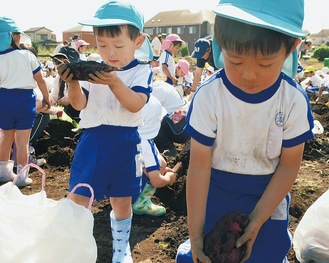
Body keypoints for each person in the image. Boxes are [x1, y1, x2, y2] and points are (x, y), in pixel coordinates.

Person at [176, 0, 315, 262]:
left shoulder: (293, 101)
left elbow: (288, 165)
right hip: (217, 192)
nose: (249, 75)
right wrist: (195, 236)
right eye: (235, 60)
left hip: (268, 196)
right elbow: (199, 167)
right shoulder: (209, 97)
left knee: (266, 255)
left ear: (291, 48)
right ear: (220, 44)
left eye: (265, 64)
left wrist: (257, 220)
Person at [56, 1, 153, 262]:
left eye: (118, 46)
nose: (109, 53)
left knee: (122, 201)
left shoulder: (142, 71)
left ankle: (121, 248)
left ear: (138, 41)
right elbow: (79, 105)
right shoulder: (91, 67)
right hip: (94, 140)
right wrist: (72, 82)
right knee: (79, 196)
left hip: (126, 141)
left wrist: (113, 81)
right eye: (101, 45)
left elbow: (135, 104)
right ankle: (70, 247)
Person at [0, 17, 51, 187]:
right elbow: (41, 80)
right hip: (24, 100)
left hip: (3, 100)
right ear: (13, 37)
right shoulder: (27, 55)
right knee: (22, 141)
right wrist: (46, 97)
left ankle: (4, 172)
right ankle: (21, 177)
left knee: (6, 138)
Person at [132, 95, 176, 216]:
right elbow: (156, 181)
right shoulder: (145, 144)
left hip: (115, 188)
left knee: (159, 162)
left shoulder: (126, 137)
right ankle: (140, 203)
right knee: (159, 164)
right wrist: (170, 178)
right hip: (130, 190)